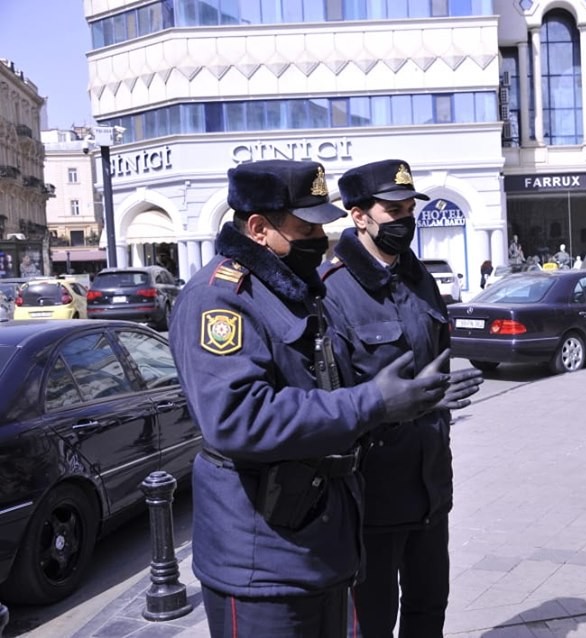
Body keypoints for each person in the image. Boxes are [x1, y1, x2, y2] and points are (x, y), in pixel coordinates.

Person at [168, 159, 452, 637]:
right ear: (258, 228)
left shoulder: (290, 289)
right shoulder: (220, 299)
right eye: (305, 228)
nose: (320, 239)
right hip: (261, 557)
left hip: (317, 540)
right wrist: (374, 403)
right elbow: (237, 418)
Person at [319, 159, 484, 638]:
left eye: (410, 208)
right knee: (372, 622)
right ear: (359, 216)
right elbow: (333, 403)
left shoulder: (420, 279)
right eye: (393, 210)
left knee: (429, 610)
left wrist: (438, 403)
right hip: (374, 496)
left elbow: (439, 367)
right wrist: (408, 404)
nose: (405, 219)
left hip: (430, 486)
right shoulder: (333, 292)